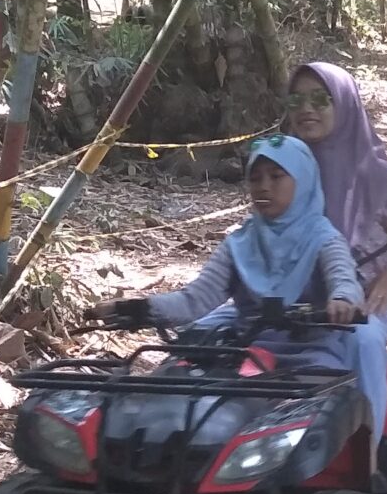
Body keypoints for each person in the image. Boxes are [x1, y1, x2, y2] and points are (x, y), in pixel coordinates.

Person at [95, 136, 367, 398]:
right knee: (169, 394)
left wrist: (342, 300)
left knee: (317, 412)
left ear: (304, 180)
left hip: (310, 352)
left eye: (276, 176)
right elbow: (195, 300)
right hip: (244, 350)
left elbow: (343, 278)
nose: (263, 187)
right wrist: (136, 309)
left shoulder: (324, 238)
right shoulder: (239, 243)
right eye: (255, 178)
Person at [282, 62, 387, 441]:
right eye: (296, 100)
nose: (306, 109)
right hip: (287, 305)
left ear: (344, 104)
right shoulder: (281, 171)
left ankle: (369, 451)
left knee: (364, 343)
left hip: (359, 309)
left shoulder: (377, 177)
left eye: (320, 99)